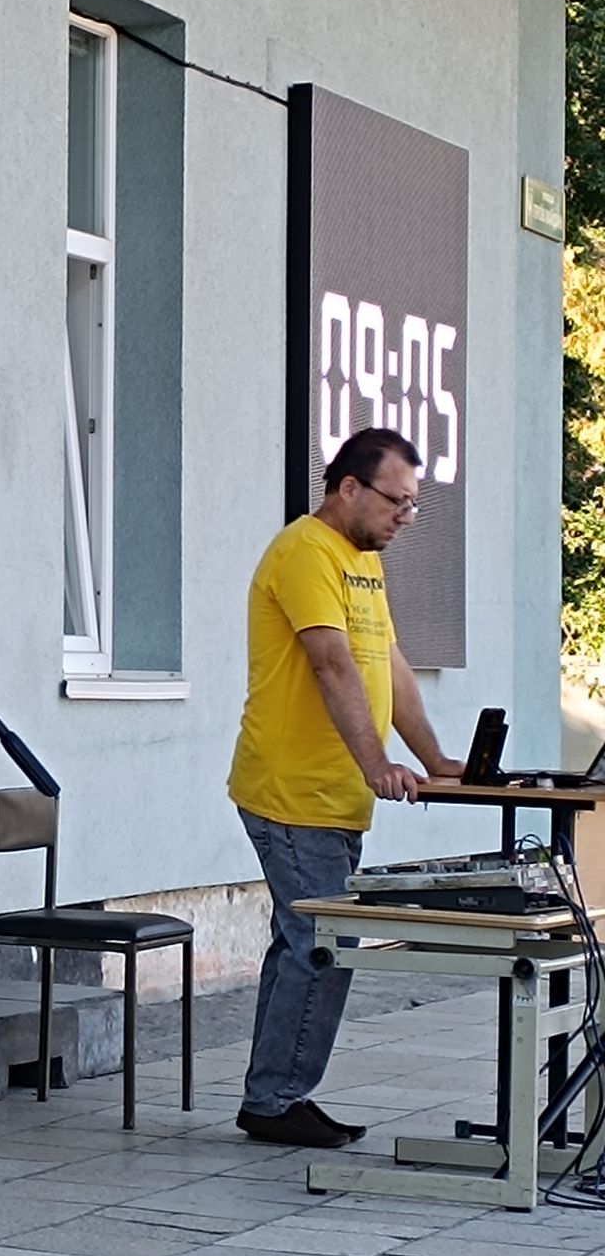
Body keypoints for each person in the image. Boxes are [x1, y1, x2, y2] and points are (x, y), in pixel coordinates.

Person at [226, 426, 463, 1150]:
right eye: (397, 501)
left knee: (302, 942)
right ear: (350, 487)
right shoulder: (305, 552)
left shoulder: (362, 564)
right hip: (292, 791)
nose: (405, 517)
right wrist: (376, 763)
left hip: (333, 798)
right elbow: (330, 663)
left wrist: (436, 759)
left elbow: (388, 664)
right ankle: (276, 1101)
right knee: (323, 942)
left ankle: (271, 1094)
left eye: (414, 505)